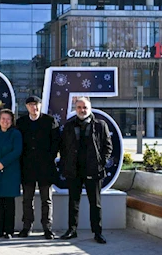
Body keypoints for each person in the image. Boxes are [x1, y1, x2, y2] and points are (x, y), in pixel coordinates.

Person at [58, 97, 112, 244]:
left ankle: (97, 232)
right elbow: (63, 148)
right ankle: (72, 230)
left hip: (93, 170)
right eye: (79, 107)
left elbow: (108, 147)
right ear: (75, 109)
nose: (82, 110)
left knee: (95, 203)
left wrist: (101, 162)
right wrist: (65, 164)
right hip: (74, 170)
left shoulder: (100, 125)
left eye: (85, 107)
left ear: (90, 108)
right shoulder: (69, 126)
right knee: (73, 202)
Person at [16, 96, 60, 239]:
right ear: (26, 107)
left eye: (36, 105)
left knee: (46, 199)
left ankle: (47, 228)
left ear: (40, 106)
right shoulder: (21, 122)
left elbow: (56, 143)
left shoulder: (49, 121)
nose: (33, 108)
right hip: (27, 167)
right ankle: (27, 227)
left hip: (45, 167)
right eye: (30, 105)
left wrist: (49, 158)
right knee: (27, 199)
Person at [0, 109, 22, 239]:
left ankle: (9, 231)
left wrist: (3, 162)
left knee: (9, 203)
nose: (5, 121)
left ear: (12, 121)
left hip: (10, 172)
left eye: (8, 119)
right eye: (3, 119)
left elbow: (17, 150)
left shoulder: (16, 134)